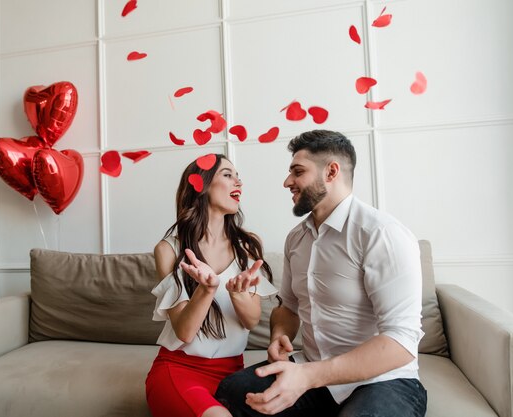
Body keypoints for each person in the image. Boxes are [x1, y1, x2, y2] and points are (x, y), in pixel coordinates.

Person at [215, 130, 427, 417]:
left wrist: (308, 376)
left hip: (382, 381)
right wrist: (279, 334)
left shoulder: (382, 234)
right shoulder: (296, 239)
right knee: (232, 391)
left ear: (332, 172)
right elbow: (288, 308)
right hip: (311, 371)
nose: (287, 182)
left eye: (298, 172)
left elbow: (401, 343)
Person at [145, 153, 278, 417]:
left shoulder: (247, 246)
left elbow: (251, 321)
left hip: (234, 374)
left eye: (238, 177)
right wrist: (207, 290)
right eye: (227, 175)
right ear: (202, 185)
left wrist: (239, 295)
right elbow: (184, 331)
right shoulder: (168, 249)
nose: (238, 182)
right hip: (180, 369)